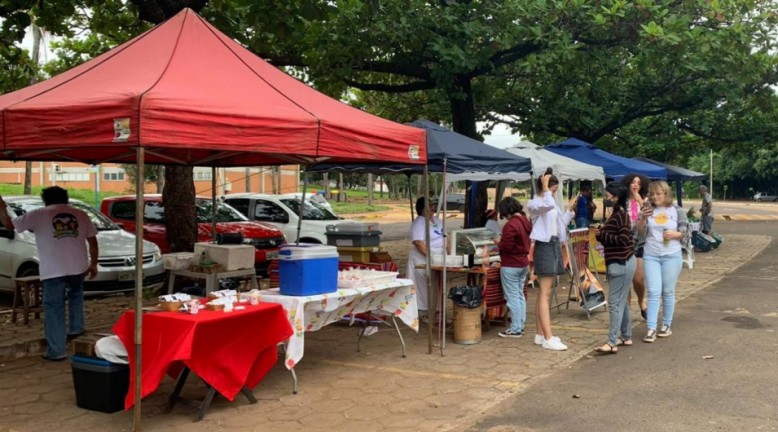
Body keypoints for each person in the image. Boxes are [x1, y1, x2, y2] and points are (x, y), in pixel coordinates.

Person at [0, 186, 98, 361]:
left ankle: (57, 350)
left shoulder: (39, 214)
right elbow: (93, 241)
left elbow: (9, 225)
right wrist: (94, 263)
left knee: (54, 308)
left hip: (54, 270)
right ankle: (76, 329)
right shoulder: (80, 214)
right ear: (66, 198)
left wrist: (1, 207)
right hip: (79, 267)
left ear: (45, 199)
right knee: (76, 296)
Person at [527, 169, 575, 351]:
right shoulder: (535, 203)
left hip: (553, 244)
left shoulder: (550, 201)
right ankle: (548, 337)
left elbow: (560, 225)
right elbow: (546, 205)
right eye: (553, 190)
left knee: (544, 292)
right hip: (544, 246)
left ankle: (540, 334)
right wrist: (546, 187)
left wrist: (570, 210)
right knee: (545, 293)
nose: (554, 194)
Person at [638, 180, 687, 343]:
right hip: (651, 255)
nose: (655, 197)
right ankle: (651, 328)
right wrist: (643, 219)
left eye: (658, 194)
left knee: (667, 291)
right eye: (652, 194)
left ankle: (666, 325)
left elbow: (686, 233)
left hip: (672, 255)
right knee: (653, 291)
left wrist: (676, 235)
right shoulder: (647, 210)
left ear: (666, 194)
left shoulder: (677, 210)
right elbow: (639, 233)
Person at [593, 182, 636, 354]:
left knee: (614, 303)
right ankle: (625, 335)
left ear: (617, 197)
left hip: (621, 263)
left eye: (607, 196)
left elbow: (623, 239)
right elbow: (613, 237)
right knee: (621, 300)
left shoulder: (620, 215)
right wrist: (601, 235)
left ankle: (612, 342)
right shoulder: (616, 214)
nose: (605, 199)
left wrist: (603, 234)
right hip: (619, 262)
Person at [495, 197, 532, 338]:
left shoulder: (510, 225)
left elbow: (507, 247)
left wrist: (499, 242)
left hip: (511, 264)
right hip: (523, 263)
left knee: (512, 298)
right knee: (520, 294)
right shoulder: (525, 222)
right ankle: (520, 324)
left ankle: (516, 328)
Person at [406, 197, 445, 317]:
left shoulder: (437, 220)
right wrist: (431, 256)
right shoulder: (419, 222)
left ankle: (436, 312)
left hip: (438, 258)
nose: (433, 207)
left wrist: (449, 254)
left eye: (433, 205)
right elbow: (418, 242)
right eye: (430, 205)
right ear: (422, 209)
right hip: (422, 259)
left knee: (435, 285)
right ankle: (423, 313)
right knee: (424, 287)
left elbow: (445, 237)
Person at [621, 173, 650, 320]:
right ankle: (626, 311)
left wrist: (641, 202)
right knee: (625, 279)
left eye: (638, 183)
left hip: (640, 243)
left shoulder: (645, 201)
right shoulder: (622, 201)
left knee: (638, 279)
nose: (636, 185)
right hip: (625, 243)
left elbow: (649, 220)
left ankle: (641, 301)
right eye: (633, 182)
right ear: (628, 184)